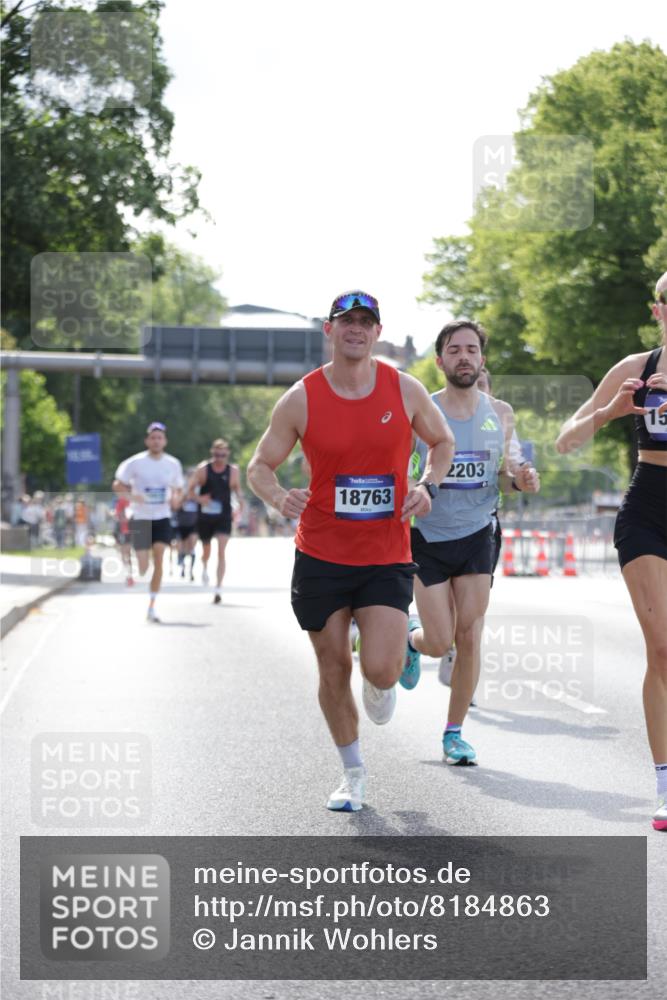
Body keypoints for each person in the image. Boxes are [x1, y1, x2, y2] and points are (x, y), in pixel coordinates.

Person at [247, 290, 455, 812]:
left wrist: (428, 485)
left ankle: (390, 662)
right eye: (347, 322)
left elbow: (442, 442)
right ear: (329, 330)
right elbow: (258, 465)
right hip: (320, 554)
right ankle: (353, 773)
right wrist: (277, 497)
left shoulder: (404, 390)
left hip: (385, 552)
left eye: (366, 322)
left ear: (377, 332)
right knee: (333, 666)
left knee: (379, 671)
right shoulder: (302, 397)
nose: (356, 329)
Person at [556, 272, 667, 833]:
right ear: (657, 309)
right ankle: (665, 784)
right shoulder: (636, 369)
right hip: (648, 510)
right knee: (664, 648)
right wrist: (611, 413)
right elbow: (566, 438)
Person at [407, 320, 540, 765]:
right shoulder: (420, 410)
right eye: (454, 350)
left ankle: (454, 733)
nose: (464, 357)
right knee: (439, 639)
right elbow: (398, 467)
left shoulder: (500, 412)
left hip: (478, 532)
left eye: (471, 350)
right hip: (427, 535)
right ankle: (412, 642)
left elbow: (507, 471)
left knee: (469, 634)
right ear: (441, 359)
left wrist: (520, 480)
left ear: (481, 359)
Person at [112, 421, 184, 622]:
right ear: (147, 440)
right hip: (141, 518)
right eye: (153, 437)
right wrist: (133, 498)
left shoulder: (173, 464)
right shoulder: (135, 463)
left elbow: (178, 489)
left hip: (162, 517)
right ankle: (144, 562)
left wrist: (176, 499)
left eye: (159, 437)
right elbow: (117, 484)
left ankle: (152, 606)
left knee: (160, 557)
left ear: (165, 441)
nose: (156, 441)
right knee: (144, 567)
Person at [186, 439, 244, 604]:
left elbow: (237, 489)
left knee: (221, 551)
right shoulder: (203, 469)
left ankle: (218, 588)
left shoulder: (233, 471)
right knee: (206, 550)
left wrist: (241, 502)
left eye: (223, 454)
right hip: (205, 516)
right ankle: (204, 567)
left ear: (227, 454)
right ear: (212, 453)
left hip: (224, 515)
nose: (220, 458)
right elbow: (189, 491)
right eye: (217, 454)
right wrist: (200, 498)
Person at [175, 472, 199, 581]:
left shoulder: (198, 492)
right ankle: (183, 568)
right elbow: (175, 506)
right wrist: (184, 498)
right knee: (182, 548)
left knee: (192, 547)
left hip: (194, 524)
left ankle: (191, 571)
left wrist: (196, 498)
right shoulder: (181, 492)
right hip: (182, 524)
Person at [113, 493, 134, 585]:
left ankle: (129, 575)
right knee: (124, 554)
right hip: (121, 530)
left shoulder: (130, 501)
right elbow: (117, 516)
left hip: (128, 531)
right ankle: (128, 574)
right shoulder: (120, 501)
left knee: (127, 554)